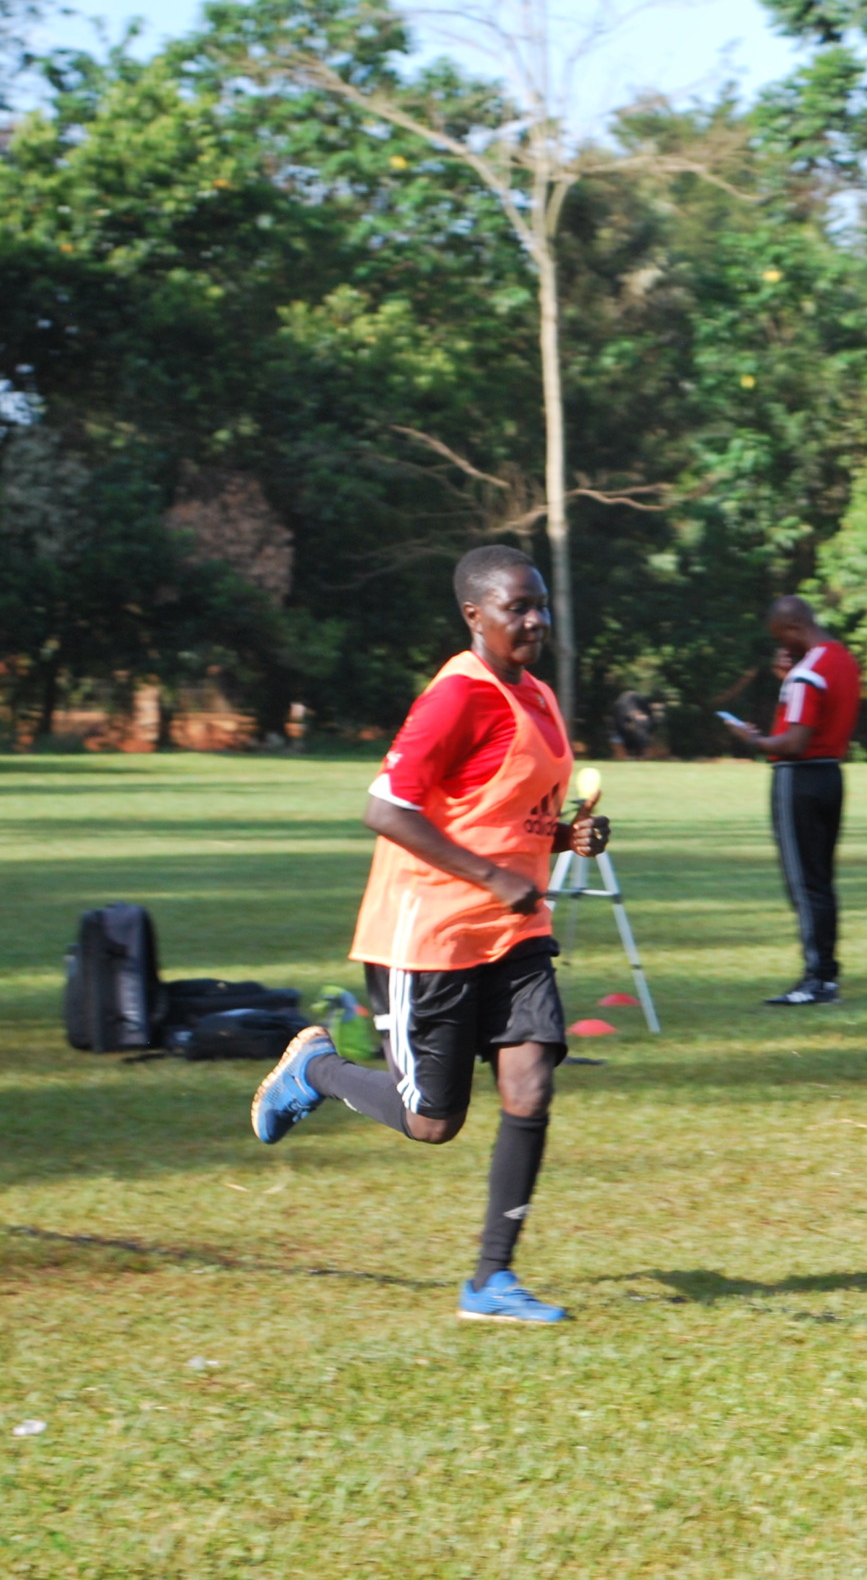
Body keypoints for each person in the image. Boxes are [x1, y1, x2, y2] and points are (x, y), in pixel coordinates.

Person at [247, 546, 611, 1324]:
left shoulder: (538, 694)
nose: (537, 619)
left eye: (541, 604)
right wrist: (491, 877)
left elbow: (501, 813)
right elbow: (386, 810)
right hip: (431, 934)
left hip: (514, 930)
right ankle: (316, 1070)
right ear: (474, 616)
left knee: (531, 1083)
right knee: (432, 1122)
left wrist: (563, 841)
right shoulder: (457, 696)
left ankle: (491, 1281)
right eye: (519, 607)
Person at [723, 598, 861, 1006]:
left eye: (781, 637)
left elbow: (794, 742)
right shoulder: (842, 660)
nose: (781, 647)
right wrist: (788, 678)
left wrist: (752, 739)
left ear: (793, 627)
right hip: (831, 775)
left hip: (797, 779)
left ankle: (816, 979)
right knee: (821, 880)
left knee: (804, 882)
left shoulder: (807, 674)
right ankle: (826, 974)